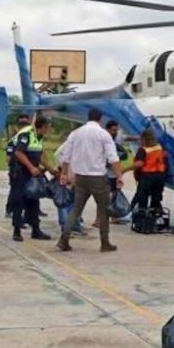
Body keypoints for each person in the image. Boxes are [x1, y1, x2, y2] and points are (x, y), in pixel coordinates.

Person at [56, 108, 123, 253]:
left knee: (76, 209)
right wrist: (119, 176)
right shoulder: (103, 134)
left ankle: (64, 238)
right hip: (98, 177)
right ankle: (105, 243)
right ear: (100, 119)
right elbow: (113, 158)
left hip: (80, 177)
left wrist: (64, 173)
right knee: (104, 210)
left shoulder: (76, 133)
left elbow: (66, 156)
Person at [10, 116, 54, 242]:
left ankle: (36, 229)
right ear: (43, 127)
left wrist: (50, 169)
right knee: (19, 200)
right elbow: (19, 153)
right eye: (48, 127)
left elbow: (38, 155)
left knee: (34, 199)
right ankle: (16, 231)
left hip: (31, 173)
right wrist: (31, 168)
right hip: (20, 172)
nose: (49, 130)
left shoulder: (38, 136)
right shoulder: (26, 133)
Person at [99, 120, 130, 226]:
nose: (115, 132)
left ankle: (113, 216)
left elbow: (127, 138)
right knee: (104, 197)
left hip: (114, 172)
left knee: (115, 195)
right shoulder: (102, 138)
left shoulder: (118, 137)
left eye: (116, 130)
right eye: (113, 130)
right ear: (107, 129)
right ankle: (98, 219)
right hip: (104, 172)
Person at [54, 137, 86, 236]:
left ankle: (75, 225)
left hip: (76, 178)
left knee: (75, 202)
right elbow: (58, 155)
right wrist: (64, 171)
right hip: (67, 177)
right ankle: (65, 226)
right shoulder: (70, 144)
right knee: (65, 201)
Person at [129, 129, 168, 211]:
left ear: (144, 138)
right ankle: (155, 215)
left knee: (142, 198)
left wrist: (125, 169)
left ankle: (141, 218)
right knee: (156, 198)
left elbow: (139, 163)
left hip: (147, 176)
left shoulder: (143, 149)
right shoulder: (159, 147)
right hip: (160, 176)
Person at [5, 114, 33, 220]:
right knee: (16, 192)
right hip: (16, 170)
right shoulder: (14, 140)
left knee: (26, 192)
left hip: (24, 170)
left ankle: (27, 214)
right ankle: (10, 210)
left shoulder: (29, 138)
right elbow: (8, 158)